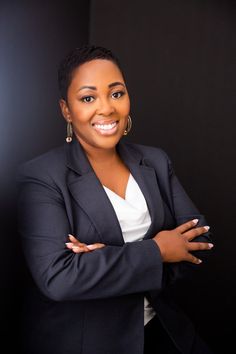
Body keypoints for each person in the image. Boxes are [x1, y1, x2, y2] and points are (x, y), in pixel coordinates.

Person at [17, 44, 214, 354]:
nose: (107, 108)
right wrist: (158, 250)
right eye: (87, 98)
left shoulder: (155, 161)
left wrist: (104, 260)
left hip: (166, 330)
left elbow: (200, 240)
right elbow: (59, 278)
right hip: (92, 343)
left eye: (116, 93)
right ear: (66, 110)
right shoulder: (41, 177)